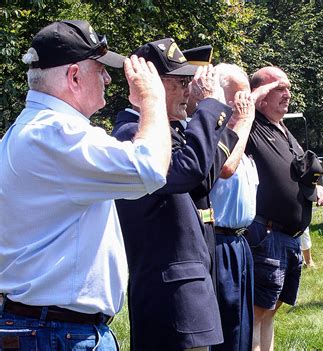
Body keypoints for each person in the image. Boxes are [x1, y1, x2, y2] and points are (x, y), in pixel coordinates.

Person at [0, 20, 171, 350]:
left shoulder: (30, 131)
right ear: (74, 77)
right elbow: (150, 167)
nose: (108, 79)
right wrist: (152, 99)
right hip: (57, 332)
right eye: (101, 70)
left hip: (46, 328)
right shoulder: (56, 134)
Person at [112, 39, 243, 350]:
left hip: (189, 287)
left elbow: (202, 179)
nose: (189, 90)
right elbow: (190, 170)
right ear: (151, 86)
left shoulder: (166, 132)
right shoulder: (133, 133)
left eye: (189, 81)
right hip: (170, 294)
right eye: (180, 82)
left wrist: (224, 122)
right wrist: (210, 107)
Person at [245, 66, 323, 351]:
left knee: (271, 312)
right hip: (267, 235)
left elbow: (294, 172)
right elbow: (237, 107)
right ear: (261, 95)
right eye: (279, 88)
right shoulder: (251, 124)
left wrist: (314, 188)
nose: (287, 94)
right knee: (256, 314)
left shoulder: (282, 129)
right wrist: (254, 96)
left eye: (288, 88)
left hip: (290, 239)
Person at [209, 63, 259, 351]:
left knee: (241, 327)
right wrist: (245, 121)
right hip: (218, 242)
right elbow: (225, 167)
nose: (247, 104)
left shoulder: (239, 136)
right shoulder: (213, 134)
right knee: (224, 328)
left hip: (240, 242)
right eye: (241, 97)